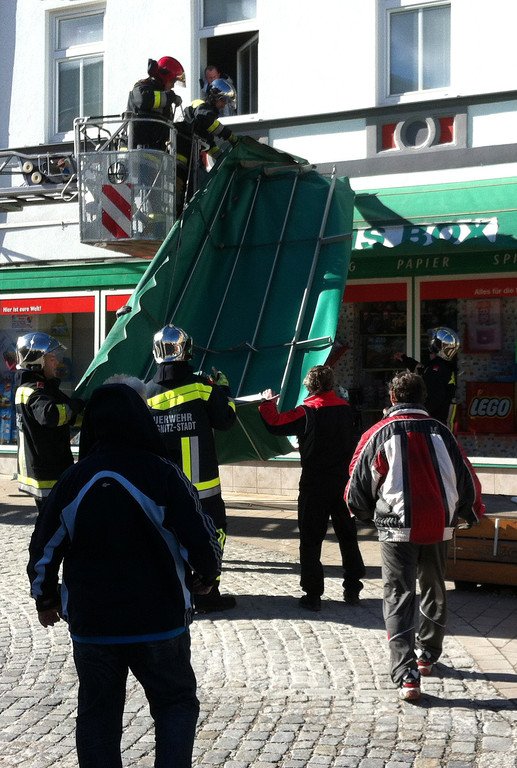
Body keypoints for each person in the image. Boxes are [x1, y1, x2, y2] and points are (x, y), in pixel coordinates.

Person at [27, 383, 222, 768]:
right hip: (160, 621)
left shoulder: (74, 479)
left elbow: (43, 548)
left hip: (93, 623)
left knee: (98, 713)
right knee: (175, 704)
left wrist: (45, 599)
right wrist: (207, 575)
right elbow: (202, 537)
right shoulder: (163, 473)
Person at [345, 371, 484, 702]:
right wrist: (468, 514)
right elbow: (466, 477)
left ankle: (406, 674)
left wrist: (364, 513)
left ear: (392, 397)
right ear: (423, 397)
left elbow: (358, 482)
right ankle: (428, 655)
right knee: (434, 587)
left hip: (396, 527)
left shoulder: (379, 433)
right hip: (438, 525)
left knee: (398, 594)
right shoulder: (443, 432)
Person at [259, 365, 366, 612]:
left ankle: (313, 593)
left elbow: (275, 423)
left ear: (309, 386)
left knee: (310, 539)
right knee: (348, 536)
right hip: (343, 482)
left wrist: (267, 403)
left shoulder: (307, 411)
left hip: (315, 483)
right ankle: (353, 588)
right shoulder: (346, 409)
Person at [146, 324, 237, 613]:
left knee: (168, 534)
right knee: (213, 532)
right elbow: (226, 420)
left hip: (163, 485)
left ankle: (172, 589)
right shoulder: (203, 387)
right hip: (202, 484)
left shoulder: (144, 392)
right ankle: (208, 592)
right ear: (187, 351)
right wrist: (224, 389)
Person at [14, 332, 84, 514]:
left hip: (52, 467)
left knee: (55, 521)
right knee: (52, 523)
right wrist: (75, 406)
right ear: (37, 362)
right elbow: (51, 416)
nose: (56, 362)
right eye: (51, 358)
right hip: (46, 473)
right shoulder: (32, 390)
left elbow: (68, 417)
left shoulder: (45, 387)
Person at [175, 78, 239, 208]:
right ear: (215, 97)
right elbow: (207, 121)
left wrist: (224, 158)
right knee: (177, 190)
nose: (224, 105)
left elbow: (209, 145)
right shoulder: (200, 106)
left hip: (190, 159)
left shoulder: (207, 118)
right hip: (179, 156)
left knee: (192, 193)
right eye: (223, 101)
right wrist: (230, 136)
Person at [394, 326, 460, 427]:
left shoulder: (437, 369)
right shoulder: (444, 366)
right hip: (441, 422)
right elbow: (422, 370)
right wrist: (405, 359)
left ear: (436, 345)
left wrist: (416, 414)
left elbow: (432, 397)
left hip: (435, 423)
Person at [127, 56, 185, 151]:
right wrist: (171, 97)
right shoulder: (142, 87)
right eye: (172, 81)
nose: (173, 86)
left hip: (157, 150)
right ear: (165, 77)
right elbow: (144, 100)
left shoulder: (164, 97)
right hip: (138, 149)